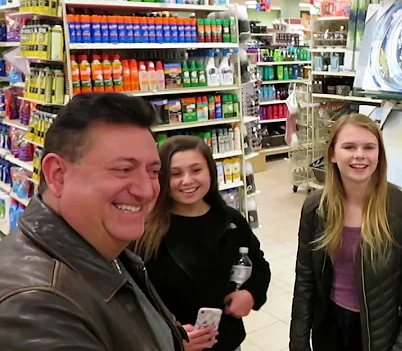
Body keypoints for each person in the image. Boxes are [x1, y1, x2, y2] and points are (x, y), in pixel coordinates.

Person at [0, 93, 186, 350]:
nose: (146, 190)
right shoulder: (35, 308)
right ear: (58, 175)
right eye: (123, 169)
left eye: (153, 171)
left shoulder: (100, 244)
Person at [290, 113, 402, 351]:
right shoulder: (316, 208)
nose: (360, 155)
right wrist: (298, 342)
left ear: (379, 155)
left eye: (369, 147)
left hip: (382, 334)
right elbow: (305, 281)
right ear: (333, 155)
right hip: (330, 328)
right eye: (349, 147)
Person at [135, 135, 271, 351]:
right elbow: (133, 299)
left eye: (196, 170)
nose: (187, 180)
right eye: (176, 174)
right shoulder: (144, 230)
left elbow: (259, 264)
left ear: (211, 172)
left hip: (226, 341)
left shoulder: (231, 221)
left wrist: (251, 294)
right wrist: (169, 337)